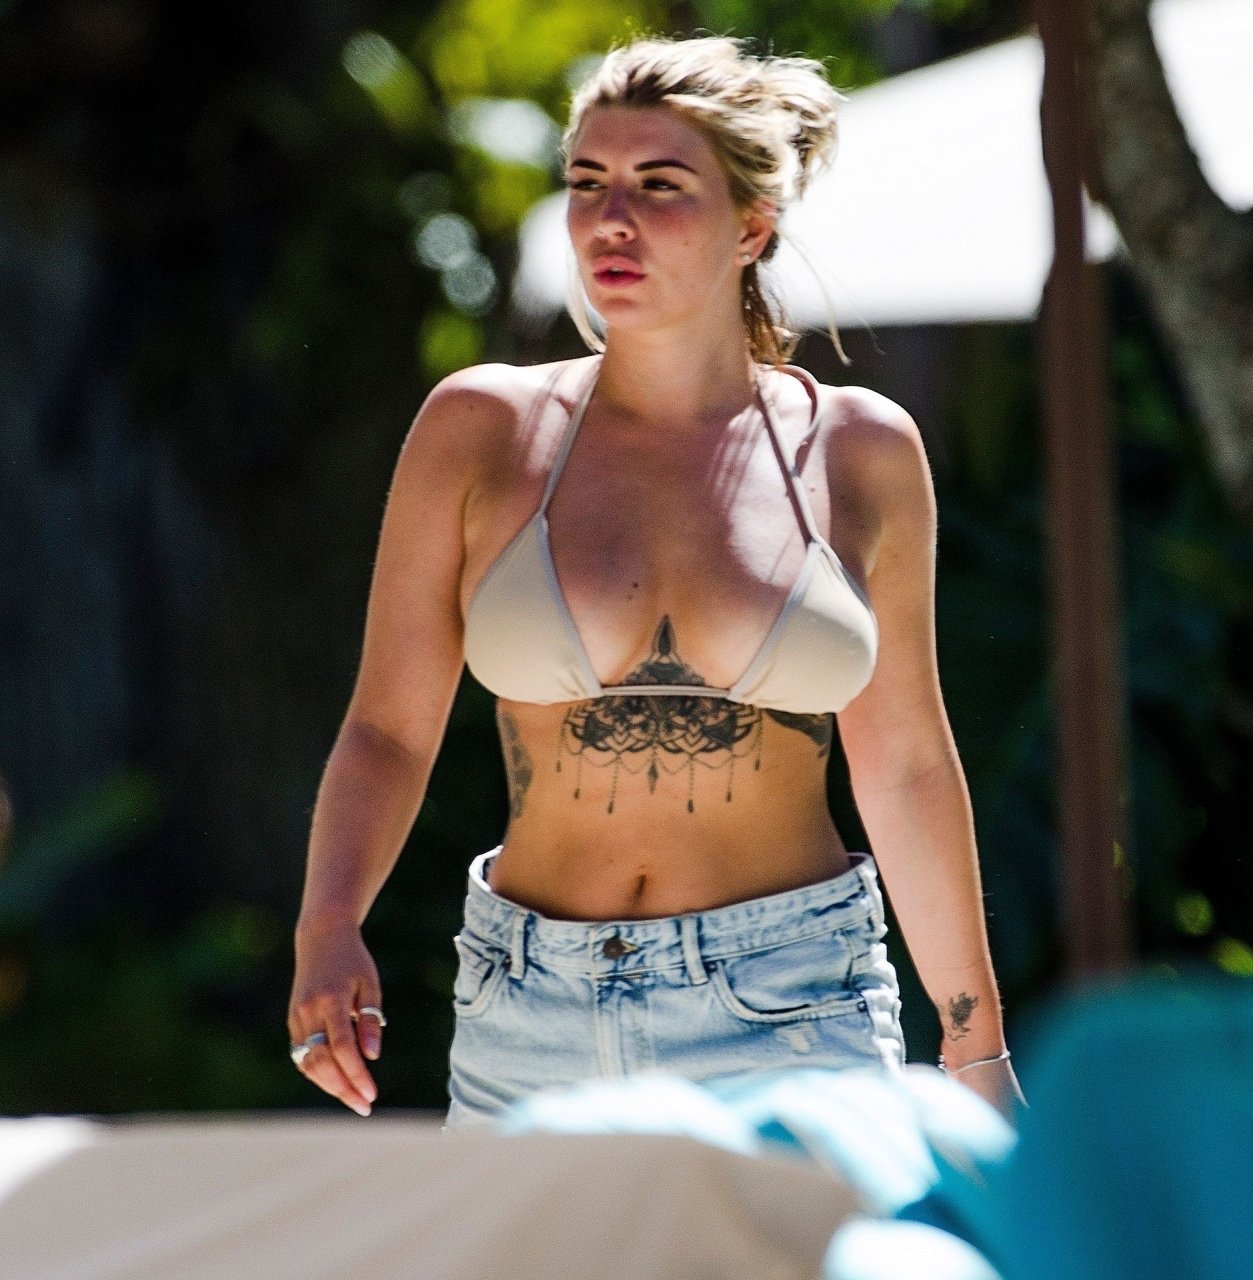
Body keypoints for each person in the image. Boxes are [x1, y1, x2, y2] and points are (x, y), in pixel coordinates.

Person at [287, 33, 1028, 1130]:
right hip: (525, 1005)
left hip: (789, 999)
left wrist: (974, 1046)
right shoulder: (481, 429)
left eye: (659, 185)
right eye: (587, 181)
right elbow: (389, 730)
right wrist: (327, 926)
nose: (610, 218)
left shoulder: (856, 450)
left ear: (751, 227)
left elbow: (908, 762)